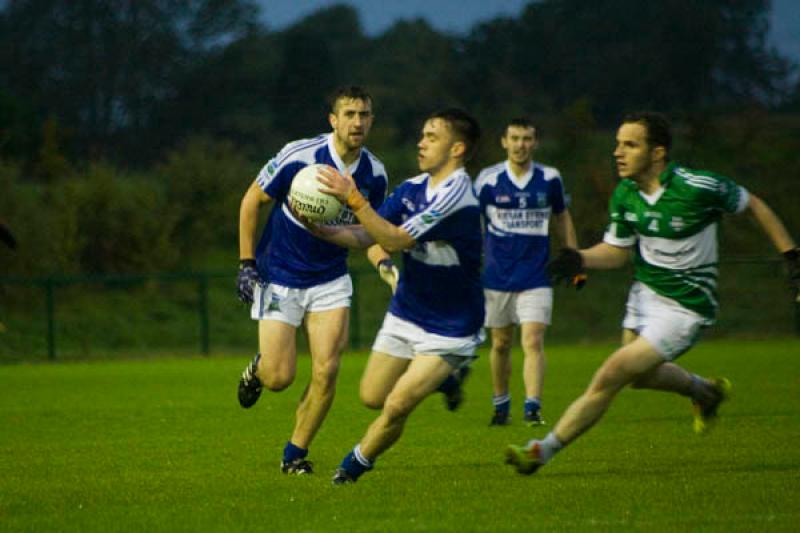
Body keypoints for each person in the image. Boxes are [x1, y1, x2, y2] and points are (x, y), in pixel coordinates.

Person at [506, 111, 800, 475]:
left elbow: (753, 204)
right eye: (617, 144)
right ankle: (705, 392)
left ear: (657, 153)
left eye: (630, 145)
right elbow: (617, 252)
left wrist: (791, 256)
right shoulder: (626, 194)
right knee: (640, 377)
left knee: (613, 372)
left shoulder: (697, 186)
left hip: (686, 308)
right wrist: (579, 258)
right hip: (644, 295)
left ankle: (541, 451)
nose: (618, 152)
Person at [304, 108, 484, 484]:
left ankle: (351, 468)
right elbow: (367, 235)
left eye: (432, 137)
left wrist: (354, 199)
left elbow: (396, 239)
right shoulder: (412, 188)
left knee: (398, 404)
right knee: (372, 396)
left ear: (457, 149)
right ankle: (446, 380)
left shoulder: (458, 195)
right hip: (407, 311)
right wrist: (320, 230)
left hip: (452, 326)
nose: (421, 143)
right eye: (422, 135)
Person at [235, 86, 397, 475]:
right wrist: (246, 263)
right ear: (333, 120)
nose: (357, 122)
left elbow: (370, 232)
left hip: (330, 280)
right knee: (279, 377)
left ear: (371, 121)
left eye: (364, 115)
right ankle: (259, 369)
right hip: (280, 274)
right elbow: (251, 200)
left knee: (327, 370)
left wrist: (384, 264)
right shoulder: (299, 156)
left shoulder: (375, 174)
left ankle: (295, 454)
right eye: (349, 114)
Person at [474, 118, 579, 427]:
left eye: (527, 138)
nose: (520, 145)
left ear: (535, 142)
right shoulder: (488, 180)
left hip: (536, 276)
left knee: (532, 340)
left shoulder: (550, 178)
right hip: (497, 276)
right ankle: (501, 405)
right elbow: (473, 221)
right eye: (515, 138)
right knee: (501, 343)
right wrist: (473, 256)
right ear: (504, 142)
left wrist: (574, 256)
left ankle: (532, 407)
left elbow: (562, 216)